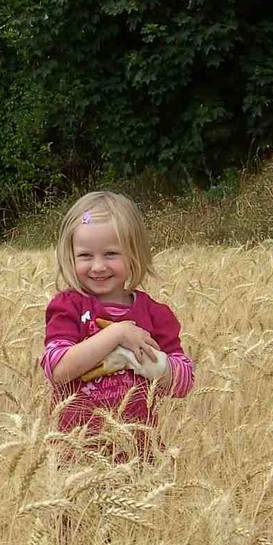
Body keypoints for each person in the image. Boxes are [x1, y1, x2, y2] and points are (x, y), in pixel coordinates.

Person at [41, 191, 194, 458]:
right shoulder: (69, 307)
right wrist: (117, 334)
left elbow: (183, 383)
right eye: (85, 256)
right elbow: (58, 369)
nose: (98, 266)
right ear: (70, 255)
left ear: (134, 253)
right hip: (76, 455)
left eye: (111, 254)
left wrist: (148, 362)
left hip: (139, 455)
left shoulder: (155, 315)